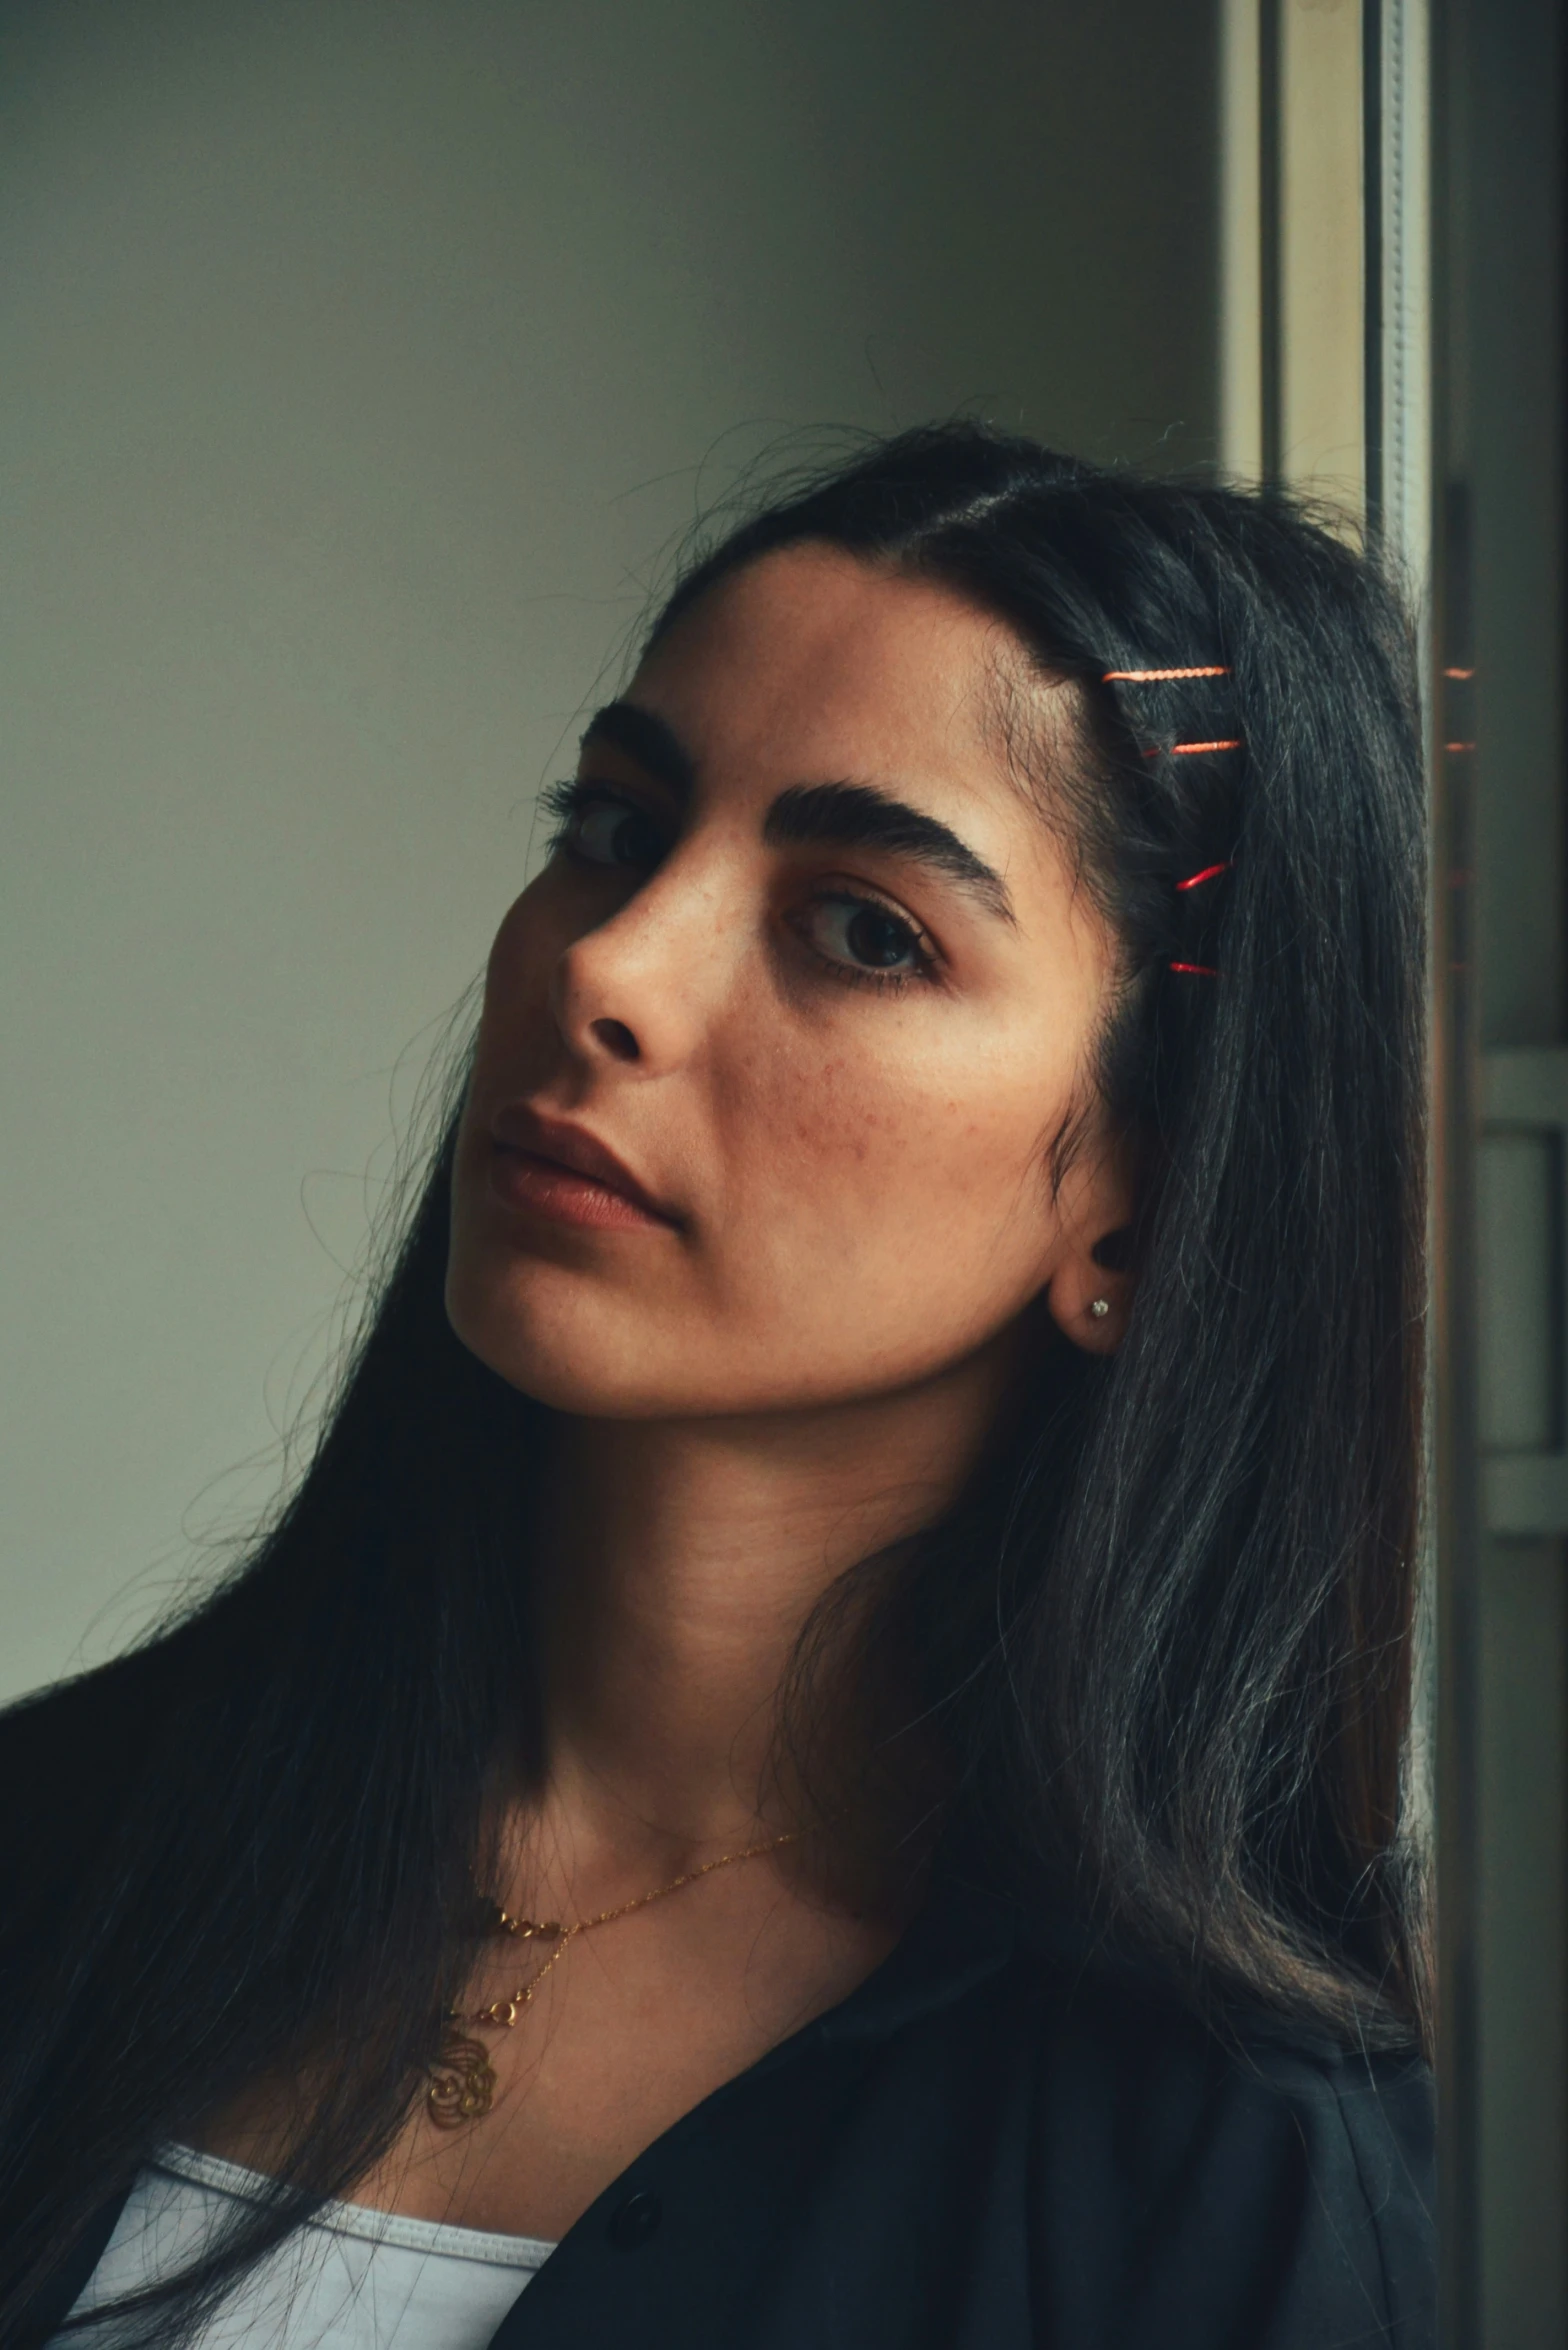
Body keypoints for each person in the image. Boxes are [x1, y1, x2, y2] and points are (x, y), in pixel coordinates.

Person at [1, 424, 1434, 2349]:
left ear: (1138, 1210)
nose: (612, 964)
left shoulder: (1228, 2169)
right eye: (612, 828)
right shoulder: (68, 1850)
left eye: (865, 927)